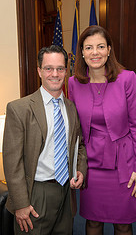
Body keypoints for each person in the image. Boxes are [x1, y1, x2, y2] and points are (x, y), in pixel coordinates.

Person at [68, 25, 136, 235]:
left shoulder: (127, 79)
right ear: (82, 52)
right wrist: (76, 165)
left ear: (109, 49)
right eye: (89, 47)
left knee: (123, 223)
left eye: (101, 46)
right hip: (91, 166)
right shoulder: (73, 83)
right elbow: (74, 130)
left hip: (124, 164)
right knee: (93, 221)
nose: (95, 52)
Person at [3, 45, 87, 235]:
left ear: (66, 71)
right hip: (35, 193)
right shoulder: (19, 109)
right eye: (48, 68)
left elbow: (79, 145)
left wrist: (80, 169)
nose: (55, 74)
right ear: (39, 71)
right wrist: (21, 203)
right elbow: (12, 162)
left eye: (60, 68)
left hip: (66, 193)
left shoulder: (71, 108)